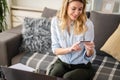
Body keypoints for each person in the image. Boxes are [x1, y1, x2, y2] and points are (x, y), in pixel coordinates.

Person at [49, 0, 96, 80]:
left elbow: (89, 56)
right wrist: (70, 49)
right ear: (66, 7)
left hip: (82, 65)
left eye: (80, 9)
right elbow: (55, 50)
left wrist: (90, 50)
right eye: (73, 9)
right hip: (63, 62)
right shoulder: (55, 22)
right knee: (53, 75)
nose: (77, 13)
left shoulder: (88, 24)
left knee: (68, 77)